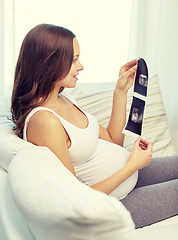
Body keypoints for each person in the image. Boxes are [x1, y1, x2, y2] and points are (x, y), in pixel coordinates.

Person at [11, 24, 178, 228]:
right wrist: (133, 165)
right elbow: (76, 197)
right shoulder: (44, 121)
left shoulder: (65, 98)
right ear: (49, 63)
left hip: (129, 175)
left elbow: (113, 141)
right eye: (74, 60)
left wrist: (120, 91)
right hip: (113, 205)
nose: (81, 66)